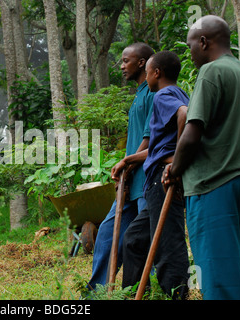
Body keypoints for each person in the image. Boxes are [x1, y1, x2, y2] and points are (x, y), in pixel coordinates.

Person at [162, 15, 240, 300]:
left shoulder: (211, 72)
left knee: (218, 280)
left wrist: (175, 169)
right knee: (233, 273)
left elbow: (193, 133)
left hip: (215, 185)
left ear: (204, 42)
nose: (191, 52)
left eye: (191, 44)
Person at [86, 43, 155, 294]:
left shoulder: (153, 92)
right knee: (106, 233)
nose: (122, 66)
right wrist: (123, 173)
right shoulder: (138, 94)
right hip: (129, 179)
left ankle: (148, 289)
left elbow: (150, 139)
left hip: (146, 179)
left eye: (126, 61)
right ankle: (97, 292)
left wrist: (128, 163)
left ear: (142, 63)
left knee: (145, 239)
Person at [121, 51, 190, 299]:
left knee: (168, 244)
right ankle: (131, 294)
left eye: (148, 71)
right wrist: (129, 160)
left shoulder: (162, 95)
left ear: (156, 73)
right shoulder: (179, 92)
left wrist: (178, 162)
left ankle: (177, 294)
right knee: (133, 239)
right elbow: (163, 143)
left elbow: (184, 115)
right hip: (155, 181)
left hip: (164, 177)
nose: (147, 76)